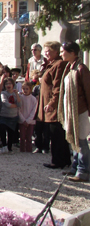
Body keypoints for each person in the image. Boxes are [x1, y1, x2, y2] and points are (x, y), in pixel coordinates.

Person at [58, 42, 90, 182]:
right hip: (71, 110)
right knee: (74, 141)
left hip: (80, 110)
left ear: (72, 52)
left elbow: (88, 91)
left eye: (62, 51)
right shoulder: (70, 68)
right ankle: (75, 167)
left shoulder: (81, 69)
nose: (61, 54)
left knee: (81, 141)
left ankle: (83, 171)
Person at [37, 41, 71, 169]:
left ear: (56, 51)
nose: (46, 53)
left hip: (54, 105)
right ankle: (64, 159)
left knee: (56, 133)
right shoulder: (50, 64)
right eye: (45, 51)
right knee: (56, 133)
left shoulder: (59, 64)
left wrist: (52, 103)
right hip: (48, 103)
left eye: (49, 51)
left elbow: (57, 87)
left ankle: (58, 160)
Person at [0, 78, 21, 154]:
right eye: (7, 84)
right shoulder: (3, 93)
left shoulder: (16, 94)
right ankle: (4, 146)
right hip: (4, 115)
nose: (8, 85)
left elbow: (20, 104)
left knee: (11, 133)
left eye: (10, 83)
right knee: (2, 130)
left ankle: (9, 148)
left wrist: (16, 94)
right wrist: (15, 105)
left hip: (13, 116)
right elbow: (5, 103)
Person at [18, 82, 37, 153]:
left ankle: (29, 150)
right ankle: (22, 150)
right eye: (23, 89)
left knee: (29, 137)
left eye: (27, 89)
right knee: (22, 136)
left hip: (31, 121)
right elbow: (18, 110)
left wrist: (28, 120)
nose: (25, 90)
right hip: (22, 120)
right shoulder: (20, 98)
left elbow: (34, 111)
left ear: (30, 89)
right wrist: (23, 120)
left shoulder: (33, 99)